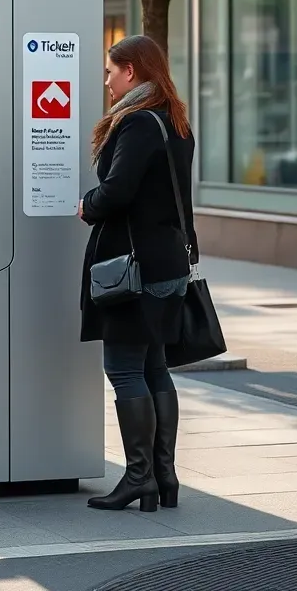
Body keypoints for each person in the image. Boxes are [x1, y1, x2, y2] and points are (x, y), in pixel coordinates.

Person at [78, 34, 195, 513]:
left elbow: (119, 190)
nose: (106, 81)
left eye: (110, 71)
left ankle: (139, 477)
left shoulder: (138, 122)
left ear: (131, 71)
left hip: (134, 266)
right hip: (169, 262)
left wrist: (89, 205)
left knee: (124, 368)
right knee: (154, 366)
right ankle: (165, 478)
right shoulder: (175, 119)